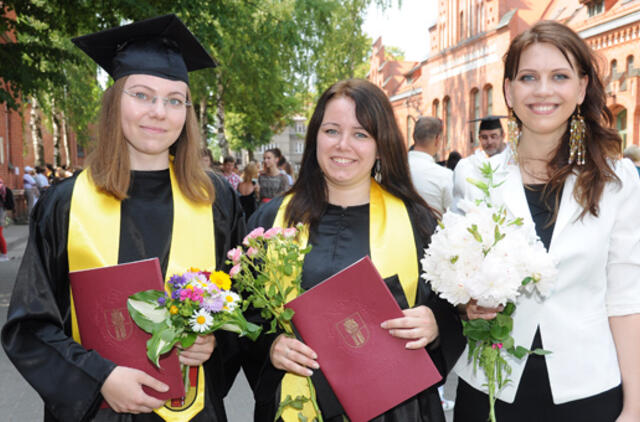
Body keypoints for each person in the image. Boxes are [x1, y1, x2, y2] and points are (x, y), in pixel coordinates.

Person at [1, 14, 245, 422]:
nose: (158, 112)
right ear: (115, 101)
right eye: (142, 95)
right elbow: (29, 327)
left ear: (188, 112)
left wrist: (215, 340)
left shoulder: (215, 198)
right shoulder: (66, 202)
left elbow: (241, 306)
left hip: (191, 408)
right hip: (98, 412)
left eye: (174, 99)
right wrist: (99, 378)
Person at [242, 79, 465, 422]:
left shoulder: (416, 222)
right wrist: (269, 346)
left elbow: (452, 307)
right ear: (315, 136)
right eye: (332, 131)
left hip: (396, 410)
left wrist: (437, 324)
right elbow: (243, 315)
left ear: (381, 145)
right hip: (294, 406)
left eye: (361, 134)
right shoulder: (272, 222)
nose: (343, 145)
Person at [452, 21, 640, 422]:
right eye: (528, 77)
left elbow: (625, 300)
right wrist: (466, 302)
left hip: (587, 391)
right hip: (490, 389)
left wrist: (636, 406)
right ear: (508, 90)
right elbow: (452, 282)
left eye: (559, 76)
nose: (542, 90)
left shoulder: (617, 181)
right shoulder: (472, 178)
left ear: (582, 87)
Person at [408, 116, 453, 216]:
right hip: (432, 230)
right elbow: (453, 215)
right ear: (437, 139)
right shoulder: (445, 176)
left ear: (413, 136)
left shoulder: (395, 168)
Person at [0, 177, 14, 262]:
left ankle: (4, 255)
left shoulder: (2, 189)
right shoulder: (5, 189)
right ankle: (3, 254)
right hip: (2, 212)